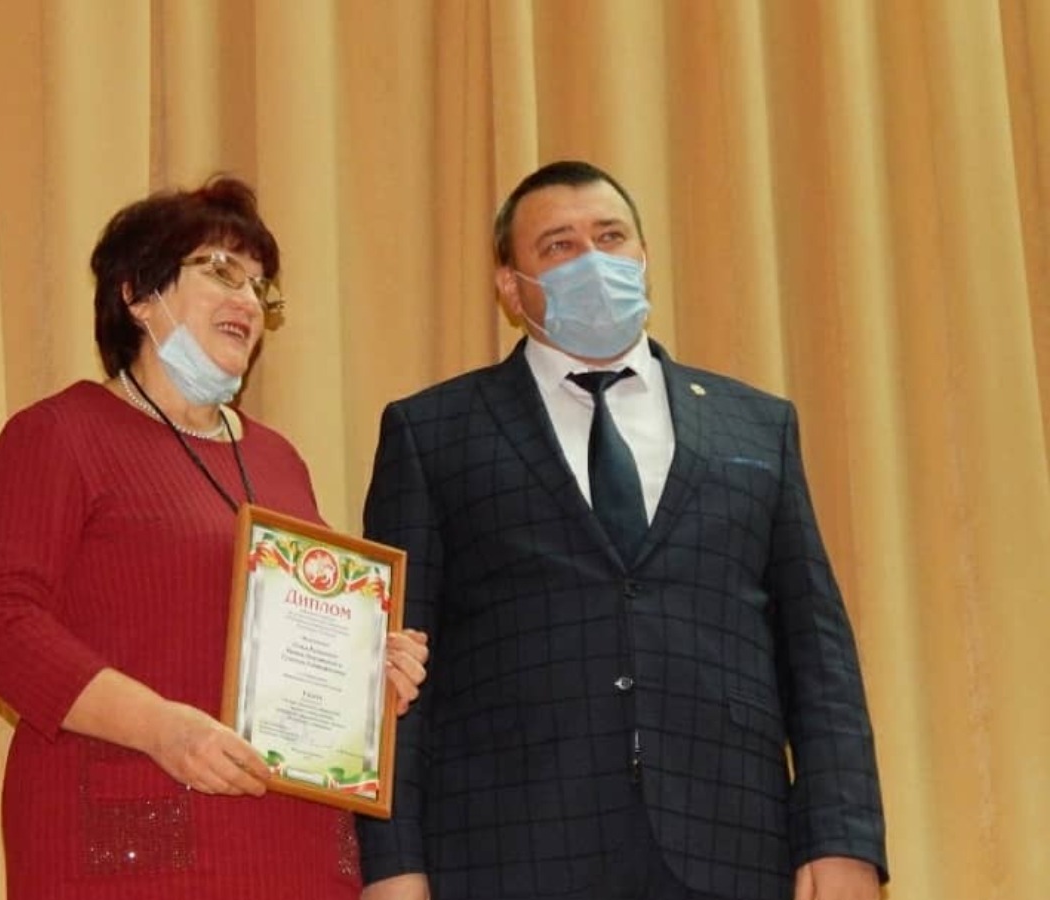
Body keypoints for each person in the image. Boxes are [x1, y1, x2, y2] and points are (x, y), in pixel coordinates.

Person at [354, 160, 887, 900]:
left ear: (643, 256)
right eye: (559, 246)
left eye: (610, 238)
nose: (593, 261)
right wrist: (392, 866)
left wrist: (844, 839)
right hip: (508, 852)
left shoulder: (758, 425)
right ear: (510, 285)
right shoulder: (431, 431)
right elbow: (392, 665)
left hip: (732, 846)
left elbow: (817, 650)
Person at [0, 176, 430, 899]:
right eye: (221, 271)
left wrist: (372, 671)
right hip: (128, 850)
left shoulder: (278, 458)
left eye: (260, 286)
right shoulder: (59, 434)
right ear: (137, 294)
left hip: (296, 854)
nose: (249, 300)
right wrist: (160, 728)